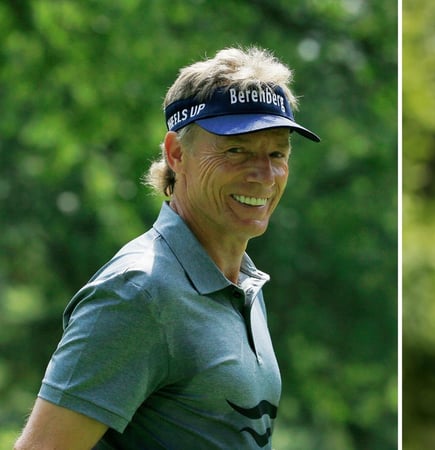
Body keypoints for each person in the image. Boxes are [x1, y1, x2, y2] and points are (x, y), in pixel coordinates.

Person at [14, 46, 320, 450]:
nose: (264, 175)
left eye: (277, 153)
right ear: (177, 153)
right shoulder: (138, 293)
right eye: (236, 150)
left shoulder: (242, 286)